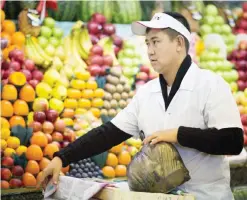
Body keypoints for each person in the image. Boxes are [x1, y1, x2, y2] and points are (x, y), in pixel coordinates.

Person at [37, 12, 244, 200]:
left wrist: (177, 134)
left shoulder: (210, 84)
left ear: (179, 43)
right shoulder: (147, 92)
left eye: (156, 42)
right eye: (147, 43)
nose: (150, 51)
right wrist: (62, 158)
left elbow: (232, 141)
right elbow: (108, 133)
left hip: (206, 196)